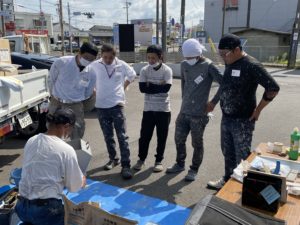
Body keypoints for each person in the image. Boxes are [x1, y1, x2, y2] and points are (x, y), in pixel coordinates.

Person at [207, 34, 280, 189]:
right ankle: (227, 180)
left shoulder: (252, 65)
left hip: (243, 120)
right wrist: (214, 102)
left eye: (224, 54)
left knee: (242, 155)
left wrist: (258, 110)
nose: (222, 58)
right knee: (227, 152)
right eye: (220, 55)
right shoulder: (229, 62)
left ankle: (244, 188)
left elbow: (273, 88)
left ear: (237, 50)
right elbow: (225, 85)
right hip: (227, 117)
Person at [15, 108, 85, 225]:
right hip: (45, 211)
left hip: (22, 207)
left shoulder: (31, 140)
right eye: (71, 129)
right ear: (66, 126)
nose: (70, 133)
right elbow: (74, 187)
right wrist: (82, 180)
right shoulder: (66, 149)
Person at [166, 39, 223, 181]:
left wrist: (213, 102)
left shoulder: (209, 66)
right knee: (178, 138)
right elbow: (184, 83)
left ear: (198, 54)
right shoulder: (184, 64)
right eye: (186, 57)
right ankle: (180, 164)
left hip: (199, 114)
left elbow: (224, 84)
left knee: (196, 143)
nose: (187, 60)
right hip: (184, 111)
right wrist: (184, 98)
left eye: (190, 57)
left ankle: (194, 169)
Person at [89, 44, 136, 179]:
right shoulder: (95, 65)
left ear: (115, 56)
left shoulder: (121, 65)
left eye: (111, 57)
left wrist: (124, 86)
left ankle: (126, 165)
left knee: (122, 136)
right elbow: (87, 77)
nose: (108, 60)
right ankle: (113, 159)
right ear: (101, 55)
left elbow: (132, 75)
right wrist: (92, 89)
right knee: (108, 135)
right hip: (101, 106)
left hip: (117, 105)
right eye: (105, 57)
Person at [133, 45, 172, 172]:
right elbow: (142, 89)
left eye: (153, 57)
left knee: (162, 137)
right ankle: (141, 159)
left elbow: (166, 88)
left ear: (160, 57)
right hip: (148, 109)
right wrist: (159, 85)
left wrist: (151, 86)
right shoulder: (144, 70)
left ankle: (158, 160)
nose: (151, 60)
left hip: (163, 110)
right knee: (144, 136)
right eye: (148, 57)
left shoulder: (167, 70)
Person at [48, 42, 99, 140]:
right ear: (79, 53)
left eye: (91, 60)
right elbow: (51, 80)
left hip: (75, 104)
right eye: (86, 57)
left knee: (77, 130)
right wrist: (53, 96)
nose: (88, 61)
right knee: (53, 129)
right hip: (56, 102)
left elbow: (88, 92)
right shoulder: (62, 62)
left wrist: (78, 99)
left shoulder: (91, 73)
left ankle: (74, 152)